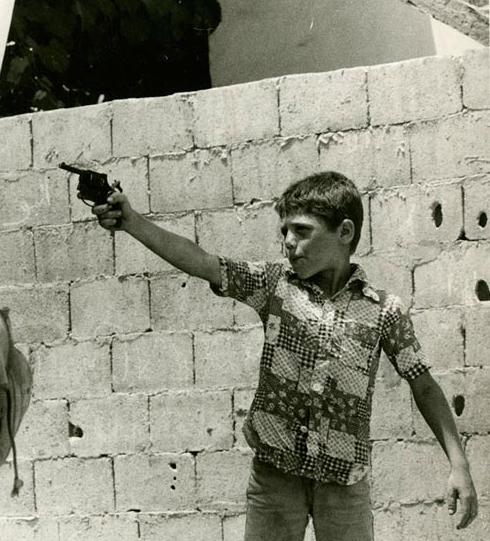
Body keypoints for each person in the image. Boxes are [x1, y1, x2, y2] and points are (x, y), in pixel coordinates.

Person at [92, 171, 478, 541]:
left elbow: (423, 385)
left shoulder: (383, 311)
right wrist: (132, 222)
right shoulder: (273, 286)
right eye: (285, 231)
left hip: (344, 485)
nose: (289, 242)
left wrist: (458, 466)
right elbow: (203, 262)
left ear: (344, 232)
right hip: (274, 478)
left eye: (302, 231)